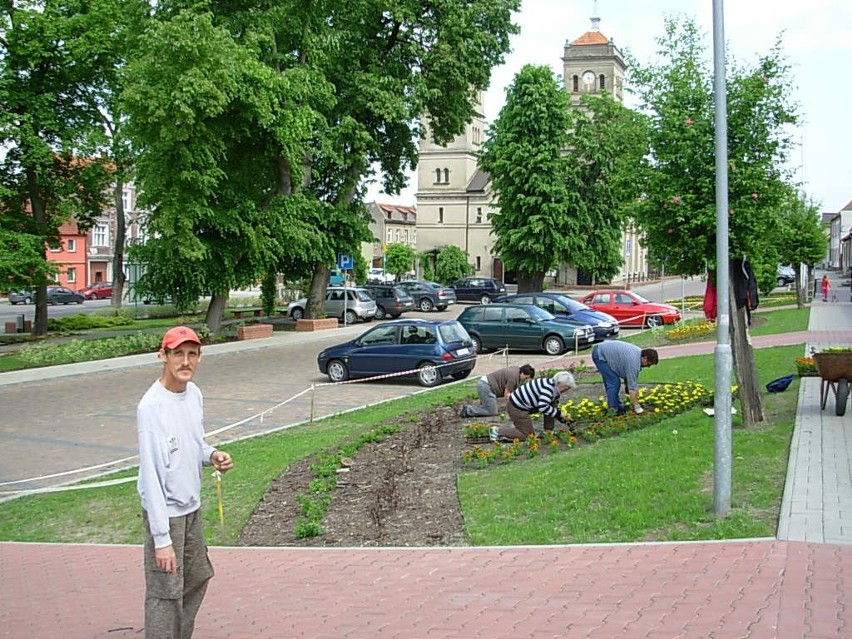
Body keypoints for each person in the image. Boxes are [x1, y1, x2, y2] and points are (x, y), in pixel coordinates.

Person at [137, 326, 234, 639]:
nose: (185, 361)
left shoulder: (194, 394)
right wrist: (162, 538)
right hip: (165, 513)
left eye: (192, 354)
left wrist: (213, 454)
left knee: (197, 577)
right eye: (178, 353)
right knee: (165, 592)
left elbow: (194, 444)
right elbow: (151, 475)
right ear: (163, 356)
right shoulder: (151, 407)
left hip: (192, 508)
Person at [490, 371, 576, 442]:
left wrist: (562, 418)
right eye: (566, 387)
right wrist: (560, 414)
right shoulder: (548, 389)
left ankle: (548, 431)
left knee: (552, 404)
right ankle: (497, 431)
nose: (566, 390)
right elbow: (543, 407)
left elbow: (550, 406)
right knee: (528, 435)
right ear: (559, 383)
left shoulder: (552, 385)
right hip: (516, 407)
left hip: (526, 404)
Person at [591, 340, 658, 414]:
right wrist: (637, 407)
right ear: (644, 358)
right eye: (649, 364)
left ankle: (618, 406)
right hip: (599, 354)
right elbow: (632, 388)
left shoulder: (638, 354)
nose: (648, 367)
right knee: (614, 382)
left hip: (603, 350)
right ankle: (612, 410)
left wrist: (627, 386)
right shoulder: (634, 363)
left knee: (612, 381)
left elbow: (627, 374)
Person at [459, 364, 536, 417]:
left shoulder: (516, 370)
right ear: (522, 373)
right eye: (526, 378)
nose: (525, 380)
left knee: (488, 407)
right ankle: (468, 410)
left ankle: (482, 406)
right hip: (487, 387)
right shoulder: (513, 378)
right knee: (492, 412)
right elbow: (507, 394)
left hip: (486, 384)